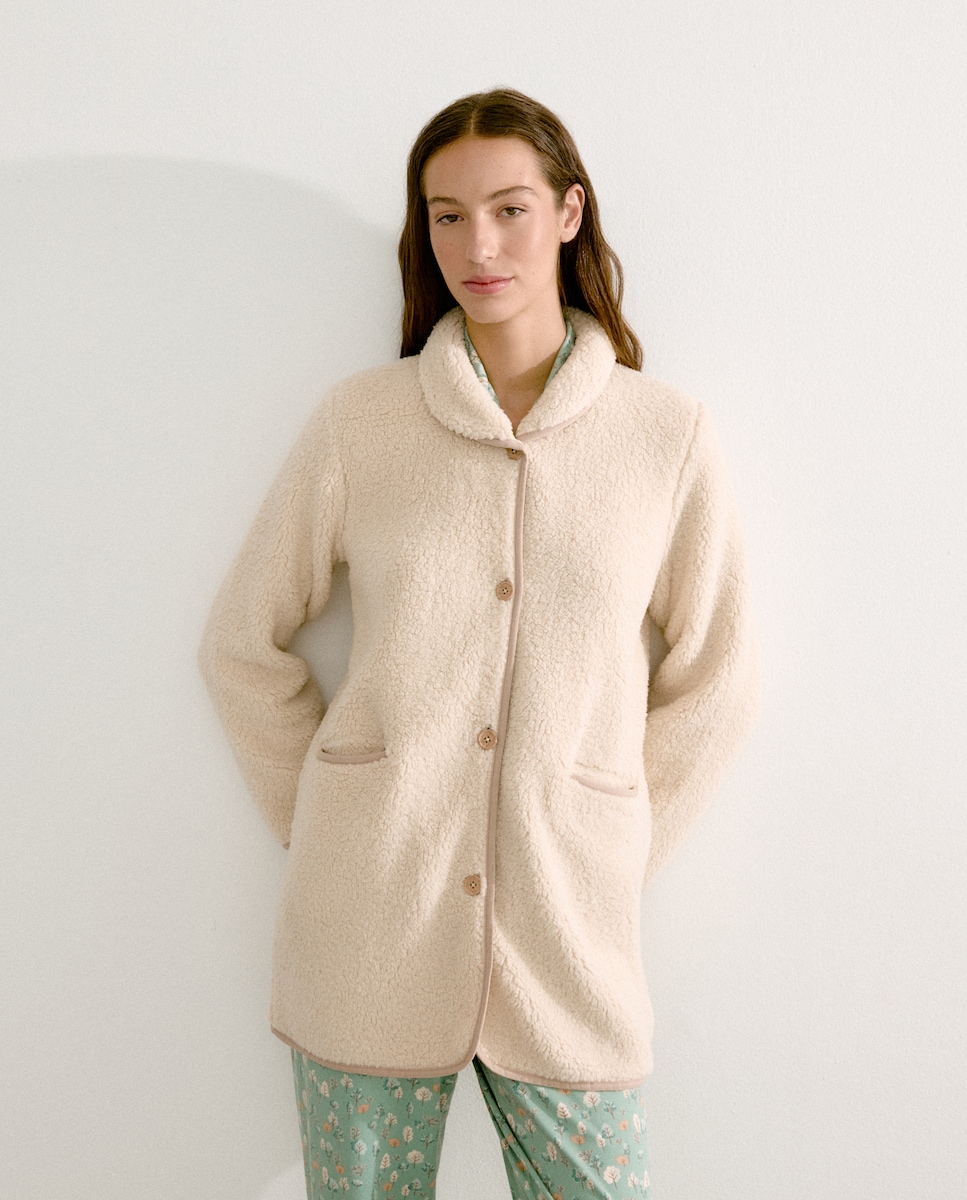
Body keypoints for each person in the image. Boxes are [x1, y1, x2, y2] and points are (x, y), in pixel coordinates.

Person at [200, 87, 760, 1200]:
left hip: (568, 937)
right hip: (369, 926)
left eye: (508, 209)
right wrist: (328, 823)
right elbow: (240, 645)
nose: (478, 246)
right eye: (447, 216)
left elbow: (719, 679)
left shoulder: (663, 435)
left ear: (568, 213)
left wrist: (612, 846)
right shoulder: (362, 422)